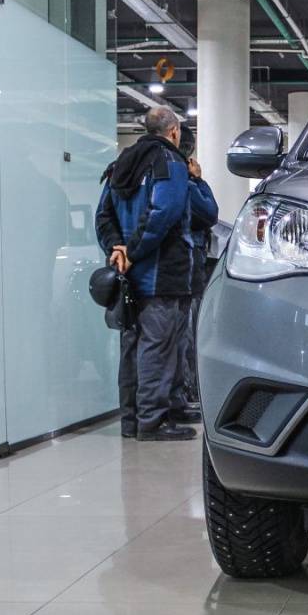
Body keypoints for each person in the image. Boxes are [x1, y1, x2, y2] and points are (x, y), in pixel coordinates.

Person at [95, 107, 197, 441]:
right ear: (174, 131)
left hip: (127, 276)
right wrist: (134, 251)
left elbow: (103, 215)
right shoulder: (170, 163)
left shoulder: (120, 164)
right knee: (158, 347)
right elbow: (162, 213)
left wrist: (117, 249)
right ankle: (153, 422)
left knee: (132, 346)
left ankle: (131, 421)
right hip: (161, 274)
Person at [174, 124, 218, 412]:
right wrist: (198, 180)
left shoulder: (134, 171)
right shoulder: (183, 180)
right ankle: (187, 391)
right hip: (186, 265)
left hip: (156, 267)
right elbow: (209, 213)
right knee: (187, 329)